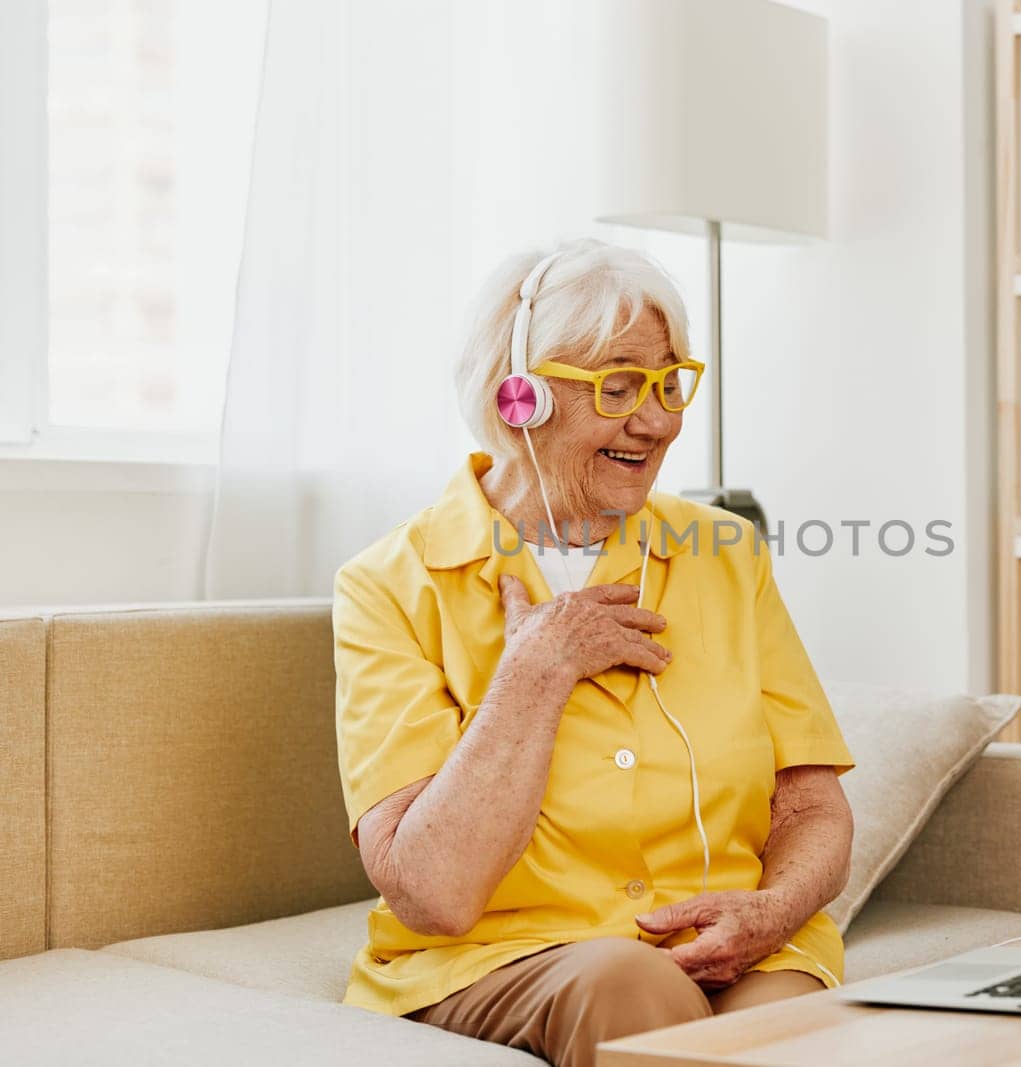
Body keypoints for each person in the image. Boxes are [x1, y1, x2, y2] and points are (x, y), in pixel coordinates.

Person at [332, 239, 855, 1066]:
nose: (657, 420)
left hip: (728, 941)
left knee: (788, 1029)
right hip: (509, 953)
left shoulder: (724, 552)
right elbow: (432, 892)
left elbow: (812, 805)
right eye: (619, 386)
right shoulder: (391, 584)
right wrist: (533, 672)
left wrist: (775, 908)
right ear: (519, 399)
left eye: (670, 382)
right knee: (631, 986)